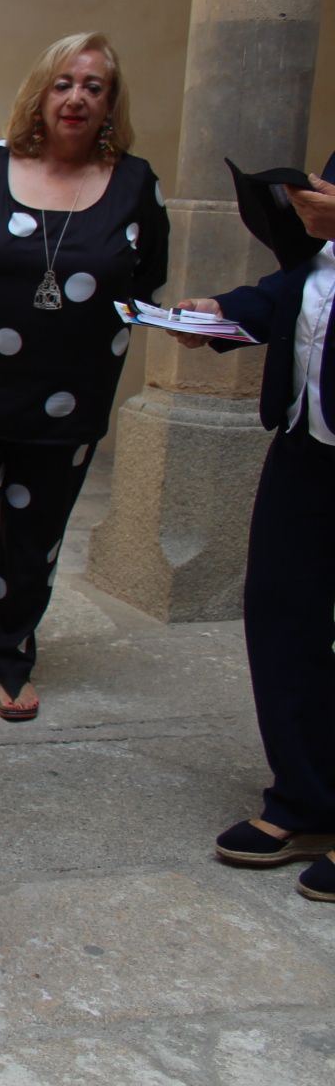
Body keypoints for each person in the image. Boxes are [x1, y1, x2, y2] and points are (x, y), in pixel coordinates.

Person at [0, 33, 169, 721]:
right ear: (41, 93)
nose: (78, 98)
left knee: (34, 540)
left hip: (71, 399)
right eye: (65, 83)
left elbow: (146, 275)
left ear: (111, 104)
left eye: (95, 87)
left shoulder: (134, 182)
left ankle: (10, 657)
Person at [166, 152, 335, 904]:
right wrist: (222, 314)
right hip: (305, 444)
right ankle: (304, 797)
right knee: (280, 615)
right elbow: (301, 287)